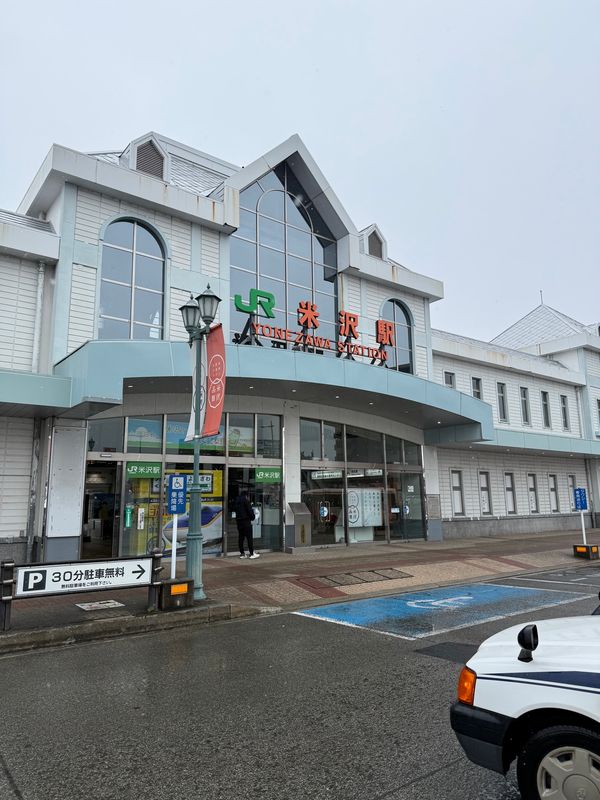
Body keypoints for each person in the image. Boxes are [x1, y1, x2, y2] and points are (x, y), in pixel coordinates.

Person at [234, 491, 259, 559]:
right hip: (246, 521)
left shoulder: (237, 501)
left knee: (241, 538)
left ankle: (242, 553)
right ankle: (251, 553)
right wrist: (253, 517)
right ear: (246, 496)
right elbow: (250, 511)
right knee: (249, 538)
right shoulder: (246, 501)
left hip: (239, 522)